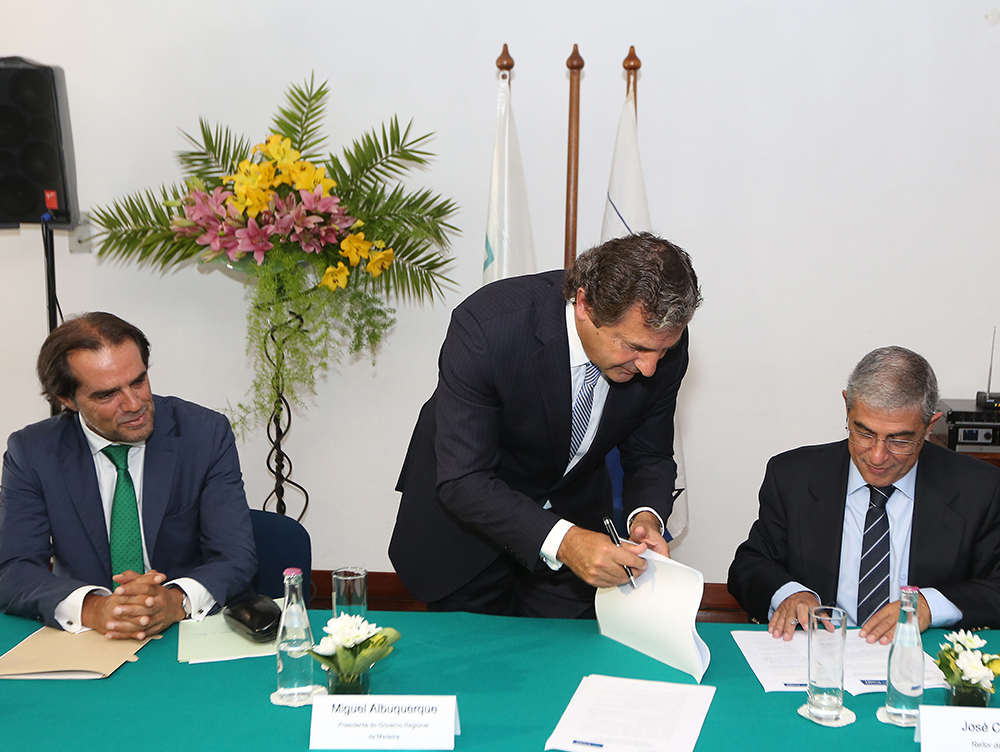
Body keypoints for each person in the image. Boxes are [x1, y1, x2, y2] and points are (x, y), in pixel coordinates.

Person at [389, 232, 702, 618]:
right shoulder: (487, 326)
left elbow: (650, 454)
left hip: (575, 524)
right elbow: (465, 478)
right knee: (475, 654)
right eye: (634, 348)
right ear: (585, 305)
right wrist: (566, 542)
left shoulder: (660, 342)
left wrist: (645, 518)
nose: (650, 367)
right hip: (468, 532)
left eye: (662, 351)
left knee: (570, 654)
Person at [0, 312, 257, 640]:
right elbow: (13, 568)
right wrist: (94, 608)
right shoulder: (33, 452)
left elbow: (235, 556)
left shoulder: (203, 434)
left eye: (138, 381)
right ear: (68, 400)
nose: (135, 404)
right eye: (107, 394)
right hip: (86, 635)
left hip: (186, 630)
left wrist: (175, 601)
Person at [728, 346, 1000, 643]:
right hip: (821, 652)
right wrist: (791, 594)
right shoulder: (793, 476)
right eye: (864, 433)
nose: (877, 456)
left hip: (917, 657)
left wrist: (928, 606)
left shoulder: (980, 489)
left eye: (899, 440)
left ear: (929, 426)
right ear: (848, 408)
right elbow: (749, 565)